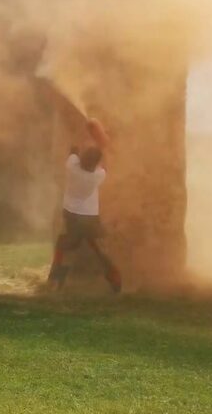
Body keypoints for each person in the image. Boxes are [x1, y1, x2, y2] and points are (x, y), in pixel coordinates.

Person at [47, 119, 122, 293]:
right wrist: (102, 141)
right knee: (96, 246)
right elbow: (105, 166)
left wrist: (83, 131)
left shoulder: (72, 167)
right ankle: (113, 274)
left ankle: (57, 275)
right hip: (90, 217)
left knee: (65, 242)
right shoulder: (97, 176)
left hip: (72, 215)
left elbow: (73, 148)